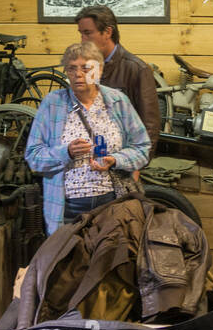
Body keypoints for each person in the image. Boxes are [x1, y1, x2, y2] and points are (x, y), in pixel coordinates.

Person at [25, 40, 150, 233]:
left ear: (99, 71)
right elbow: (33, 157)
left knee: (109, 258)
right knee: (71, 260)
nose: (78, 74)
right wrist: (66, 151)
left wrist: (115, 160)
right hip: (67, 207)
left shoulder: (117, 101)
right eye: (72, 69)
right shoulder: (53, 103)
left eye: (85, 68)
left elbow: (142, 148)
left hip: (113, 203)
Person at [75, 4, 161, 152]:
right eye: (81, 33)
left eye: (88, 33)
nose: (83, 40)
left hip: (122, 161)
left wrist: (136, 167)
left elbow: (150, 127)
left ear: (108, 32)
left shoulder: (136, 69)